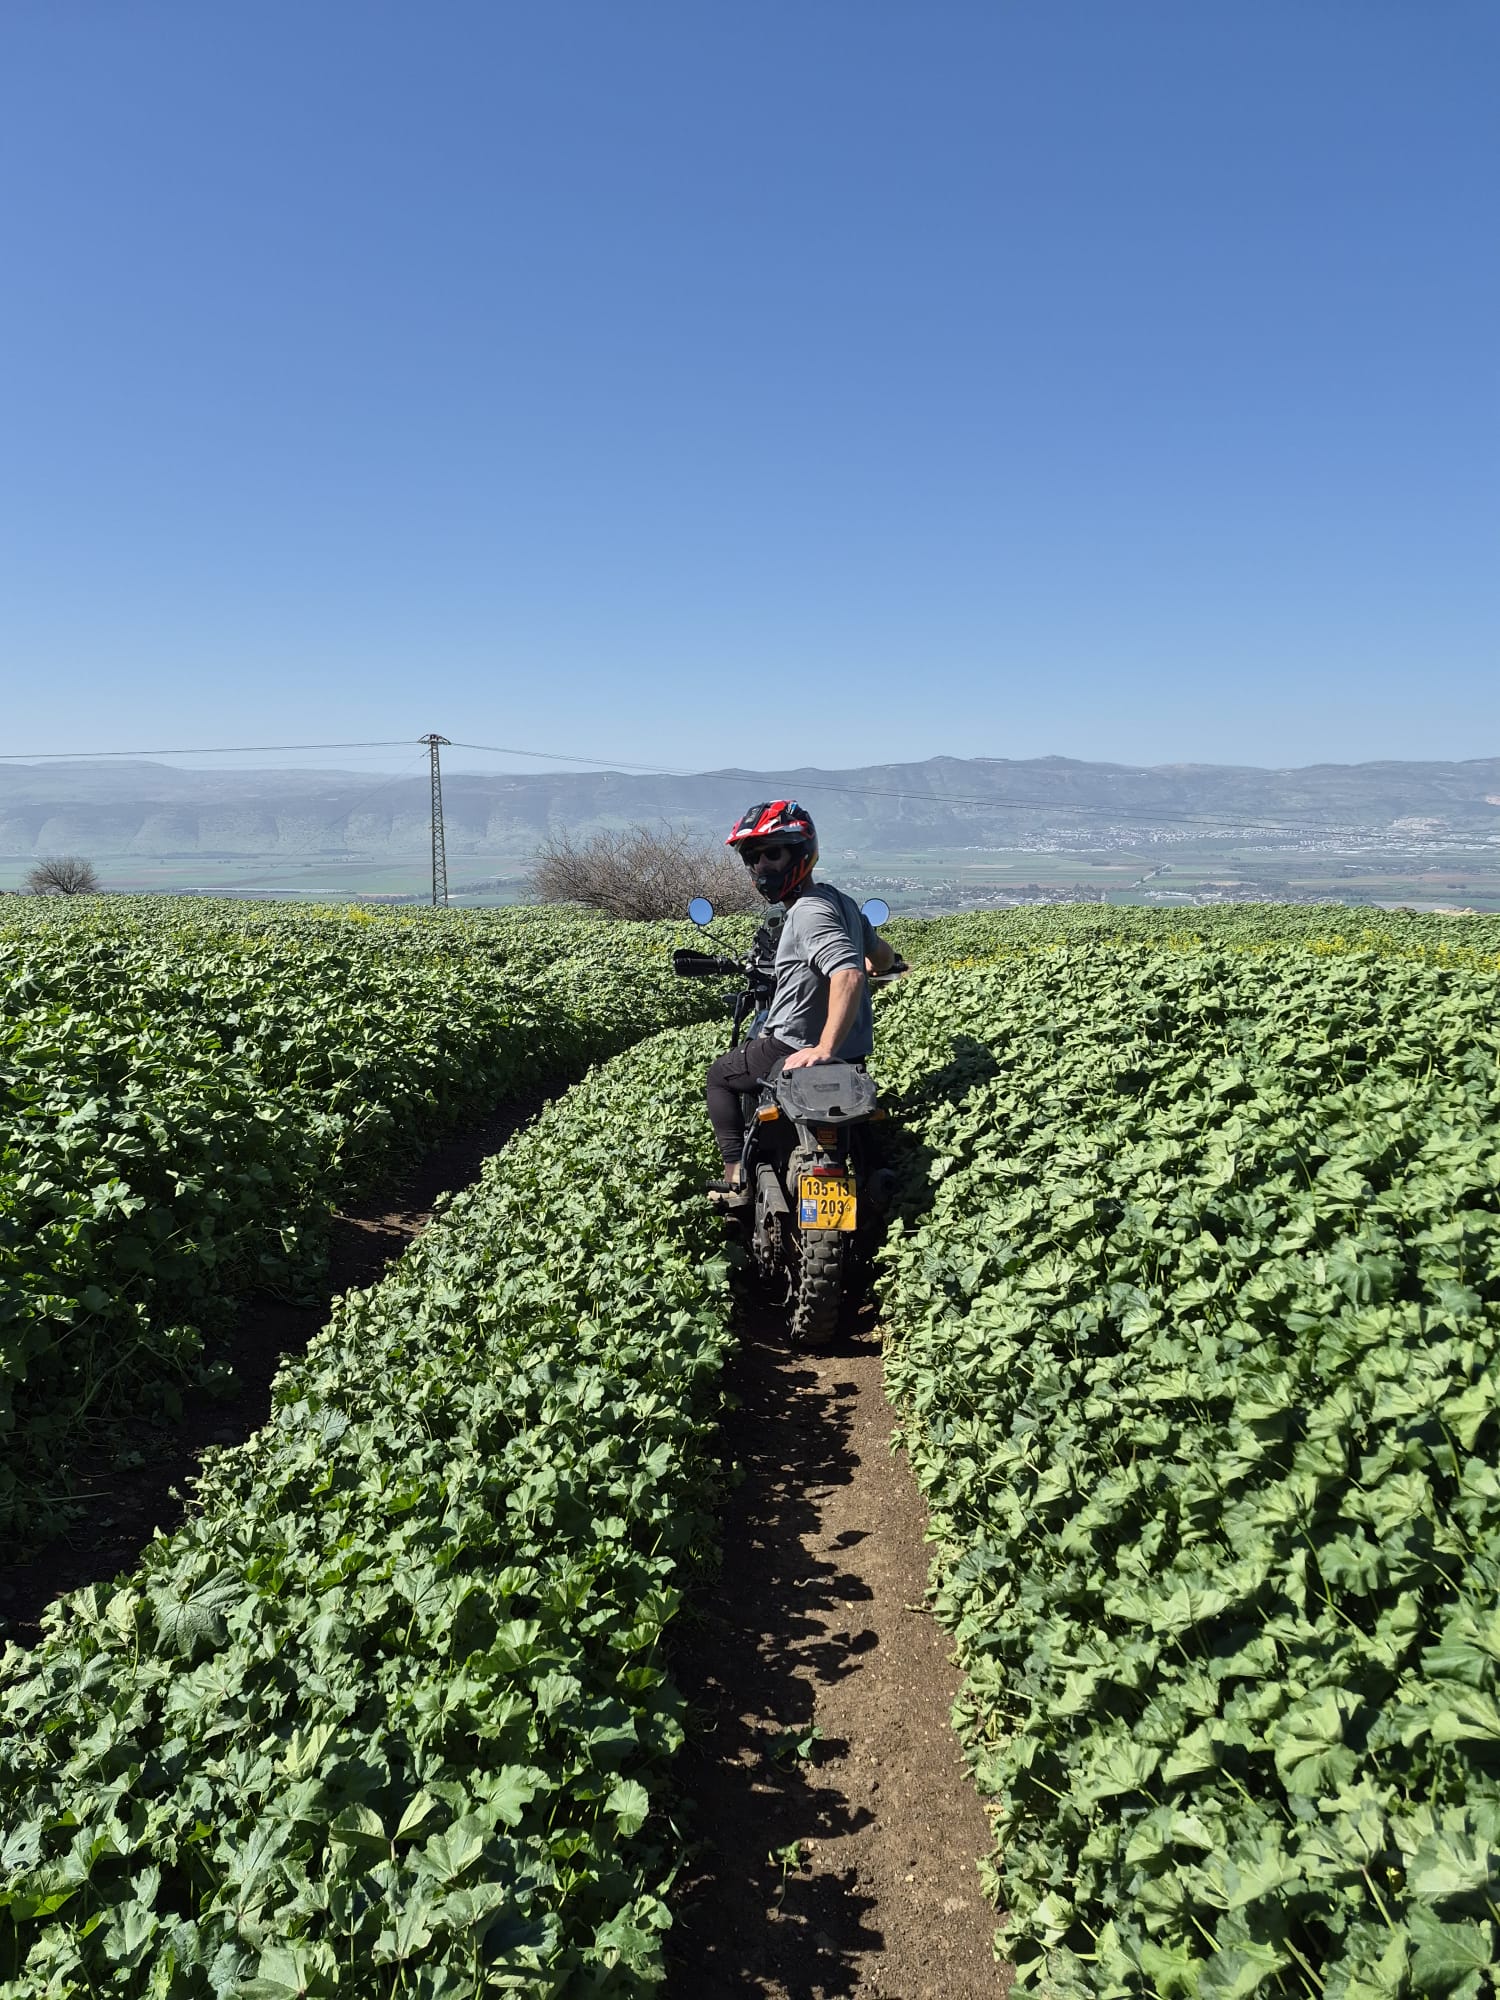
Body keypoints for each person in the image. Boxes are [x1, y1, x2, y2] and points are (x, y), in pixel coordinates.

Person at [705, 800, 894, 1204]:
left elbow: (848, 974)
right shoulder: (840, 902)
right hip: (855, 1053)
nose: (762, 867)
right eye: (753, 858)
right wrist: (881, 963)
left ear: (801, 851)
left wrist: (823, 1048)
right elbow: (878, 957)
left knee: (720, 1076)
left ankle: (736, 1178)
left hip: (793, 1047)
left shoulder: (808, 912)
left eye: (773, 853)